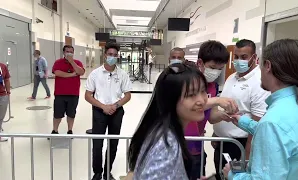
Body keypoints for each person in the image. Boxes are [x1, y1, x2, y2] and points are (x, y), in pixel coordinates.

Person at [222, 39, 298, 180]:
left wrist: (232, 175)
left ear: (267, 66)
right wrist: (245, 122)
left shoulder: (273, 122)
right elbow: (288, 138)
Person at [128, 63, 208, 179]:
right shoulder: (166, 145)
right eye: (191, 95)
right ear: (171, 100)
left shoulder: (163, 131)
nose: (201, 100)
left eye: (203, 91)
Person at [210, 39, 269, 180]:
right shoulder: (231, 77)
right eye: (236, 57)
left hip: (239, 145)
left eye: (244, 57)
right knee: (221, 175)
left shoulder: (259, 82)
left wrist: (247, 160)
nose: (238, 61)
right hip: (222, 142)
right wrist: (215, 133)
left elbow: (256, 126)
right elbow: (224, 108)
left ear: (254, 58)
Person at [185, 40, 237, 180]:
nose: (216, 72)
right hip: (180, 142)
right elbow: (188, 106)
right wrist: (218, 100)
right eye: (213, 67)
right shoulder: (187, 81)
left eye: (220, 69)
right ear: (200, 63)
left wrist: (224, 115)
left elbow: (211, 116)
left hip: (197, 143)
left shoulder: (213, 86)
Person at [86, 42, 132, 180]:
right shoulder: (95, 74)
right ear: (105, 55)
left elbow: (128, 95)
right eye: (110, 54)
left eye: (115, 55)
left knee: (113, 143)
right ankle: (98, 172)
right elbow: (88, 95)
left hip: (116, 112)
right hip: (99, 112)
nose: (112, 57)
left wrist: (115, 106)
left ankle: (107, 172)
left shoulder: (122, 74)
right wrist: (103, 106)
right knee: (98, 143)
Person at [50, 45, 85, 135]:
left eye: (71, 51)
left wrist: (72, 62)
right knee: (57, 114)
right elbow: (57, 73)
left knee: (71, 114)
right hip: (60, 93)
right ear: (63, 52)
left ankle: (70, 130)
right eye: (67, 51)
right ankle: (55, 130)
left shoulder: (77, 63)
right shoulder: (58, 62)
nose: (69, 53)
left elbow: (81, 72)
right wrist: (72, 74)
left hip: (73, 94)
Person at [0, 62, 10, 142]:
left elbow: (6, 79)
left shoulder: (3, 66)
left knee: (1, 116)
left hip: (2, 95)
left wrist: (8, 92)